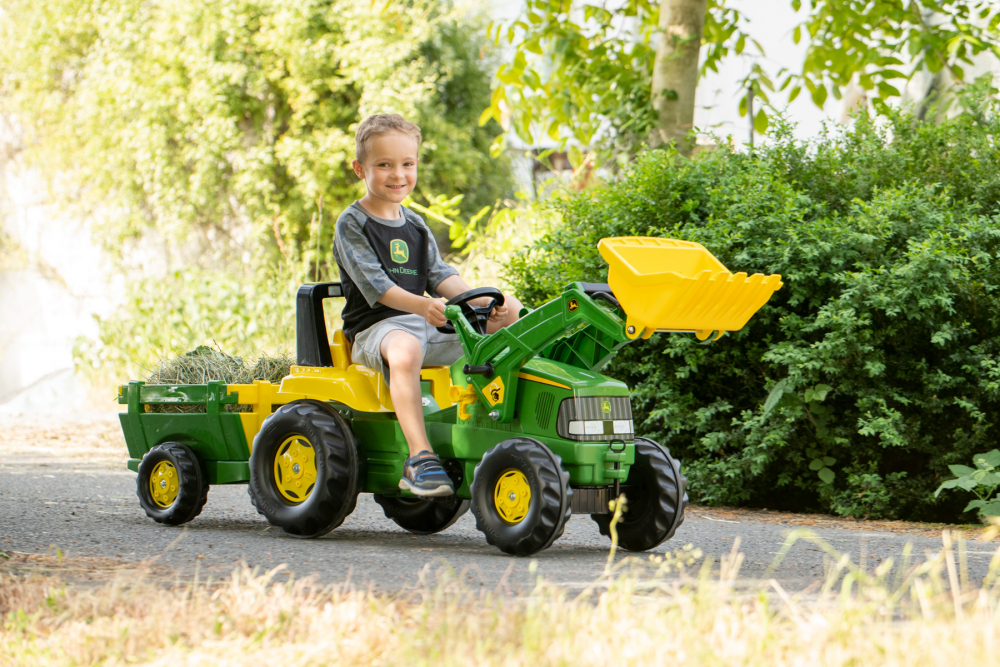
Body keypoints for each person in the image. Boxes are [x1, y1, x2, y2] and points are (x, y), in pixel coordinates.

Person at [332, 113, 522, 497]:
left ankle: (504, 433)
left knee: (513, 319)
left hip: (426, 325)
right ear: (360, 169)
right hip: (376, 332)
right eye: (384, 165)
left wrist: (489, 301)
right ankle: (420, 458)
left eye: (407, 164)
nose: (397, 174)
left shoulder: (415, 224)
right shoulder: (352, 223)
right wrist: (421, 306)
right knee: (405, 349)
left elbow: (441, 275)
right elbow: (378, 287)